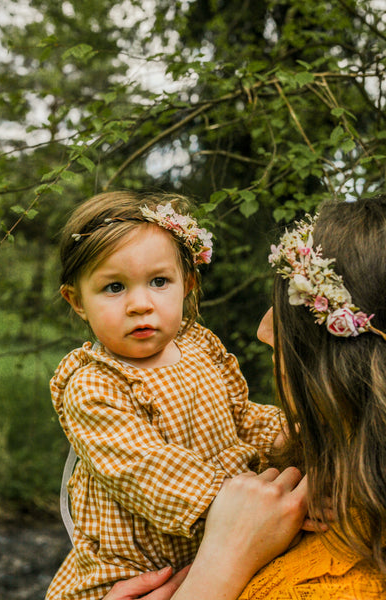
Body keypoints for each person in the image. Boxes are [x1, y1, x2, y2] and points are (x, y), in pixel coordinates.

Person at [102, 195, 386, 600]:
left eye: (296, 306)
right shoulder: (321, 469)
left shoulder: (343, 586)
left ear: (352, 356)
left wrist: (220, 563)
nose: (263, 327)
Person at [46, 190, 286, 600]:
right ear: (77, 301)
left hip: (222, 545)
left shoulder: (199, 348)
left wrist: (295, 439)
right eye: (114, 287)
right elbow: (153, 472)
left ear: (186, 283)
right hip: (134, 572)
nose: (141, 304)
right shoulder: (93, 387)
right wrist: (262, 504)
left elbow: (243, 418)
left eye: (159, 282)